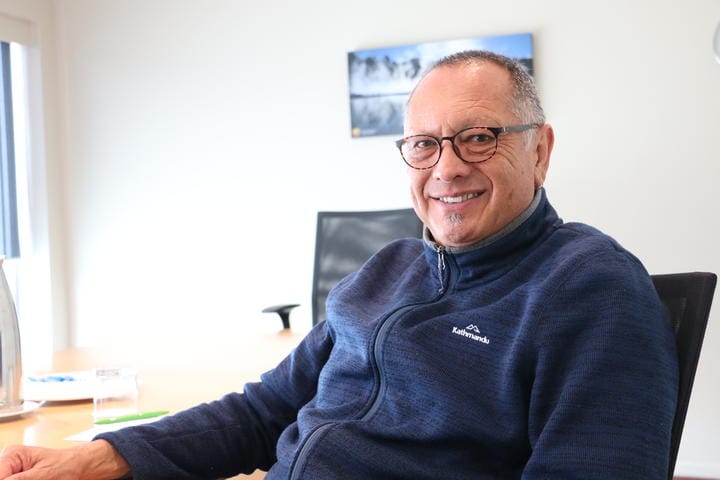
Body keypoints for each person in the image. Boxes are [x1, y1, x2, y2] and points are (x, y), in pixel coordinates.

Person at [0, 50, 678, 480]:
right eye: (424, 144)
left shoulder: (592, 287)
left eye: (478, 138)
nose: (447, 168)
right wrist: (99, 457)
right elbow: (259, 415)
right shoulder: (388, 270)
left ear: (540, 150)